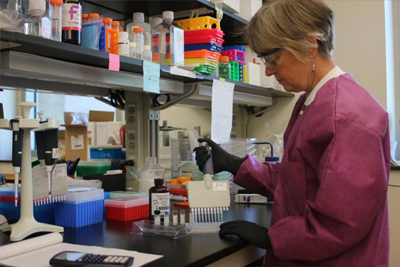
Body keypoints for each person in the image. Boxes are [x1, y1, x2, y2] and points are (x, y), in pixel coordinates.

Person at [194, 0, 390, 266]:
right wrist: (236, 165)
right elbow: (297, 180)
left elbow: (341, 223)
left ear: (310, 45)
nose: (268, 70)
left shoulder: (347, 117)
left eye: (273, 59)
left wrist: (273, 238)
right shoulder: (311, 100)